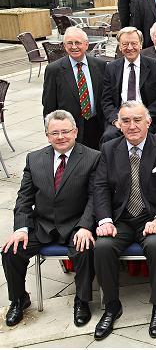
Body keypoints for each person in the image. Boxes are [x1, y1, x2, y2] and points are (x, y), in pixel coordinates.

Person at [2, 110, 99, 327]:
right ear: (47, 135)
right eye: (55, 133)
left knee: (84, 248)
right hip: (43, 224)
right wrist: (21, 228)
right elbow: (24, 198)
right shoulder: (34, 159)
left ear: (75, 132)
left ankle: (82, 300)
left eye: (66, 131)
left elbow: (95, 198)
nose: (61, 137)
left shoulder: (93, 157)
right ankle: (19, 299)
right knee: (11, 250)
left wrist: (85, 226)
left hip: (76, 223)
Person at [93, 101, 156, 340]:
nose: (132, 126)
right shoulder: (109, 149)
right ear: (118, 124)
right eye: (126, 121)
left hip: (151, 217)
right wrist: (105, 220)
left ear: (148, 122)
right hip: (120, 218)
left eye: (137, 120)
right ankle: (111, 306)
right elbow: (100, 187)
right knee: (103, 247)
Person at [42, 27, 106, 150]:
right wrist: (52, 131)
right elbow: (49, 105)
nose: (74, 47)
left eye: (78, 43)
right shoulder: (54, 70)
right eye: (69, 43)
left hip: (96, 125)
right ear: (64, 46)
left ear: (86, 45)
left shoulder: (100, 65)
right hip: (69, 129)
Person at [101, 27, 156, 144]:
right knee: (108, 137)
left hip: (147, 118)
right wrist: (116, 120)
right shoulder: (111, 68)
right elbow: (106, 100)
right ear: (120, 47)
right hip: (120, 119)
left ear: (141, 45)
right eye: (125, 44)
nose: (130, 48)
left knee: (154, 139)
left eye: (134, 43)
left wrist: (144, 118)